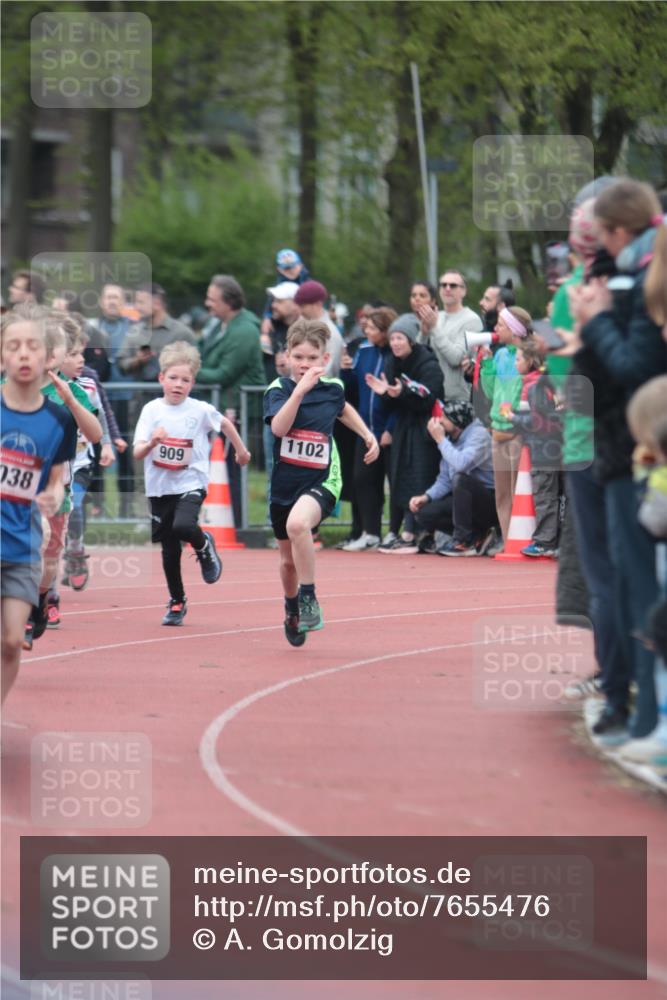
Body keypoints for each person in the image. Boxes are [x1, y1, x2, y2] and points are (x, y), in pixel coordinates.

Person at [573, 179, 666, 744]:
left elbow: (631, 368)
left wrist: (595, 322)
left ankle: (644, 714)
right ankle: (636, 710)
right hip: (621, 447)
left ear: (617, 232)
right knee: (630, 582)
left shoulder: (633, 284)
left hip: (638, 450)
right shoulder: (627, 279)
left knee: (638, 584)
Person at [263, 318, 379, 643]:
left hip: (322, 480)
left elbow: (344, 410)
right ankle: (292, 605)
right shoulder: (278, 390)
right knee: (287, 562)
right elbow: (279, 429)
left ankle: (309, 597)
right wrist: (299, 391)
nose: (304, 364)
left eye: (311, 358)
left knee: (299, 525)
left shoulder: (333, 389)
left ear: (324, 360)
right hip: (285, 486)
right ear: (286, 356)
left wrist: (367, 434)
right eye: (298, 357)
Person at [133, 341, 251, 627]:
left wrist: (241, 449)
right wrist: (153, 442)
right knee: (169, 549)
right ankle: (177, 600)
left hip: (191, 482)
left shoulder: (199, 409)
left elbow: (225, 424)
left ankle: (203, 544)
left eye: (185, 380)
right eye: (173, 378)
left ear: (192, 383)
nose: (178, 385)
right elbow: (137, 452)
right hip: (160, 487)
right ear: (161, 378)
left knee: (184, 526)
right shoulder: (151, 411)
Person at [1, 309, 77, 702]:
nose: (24, 354)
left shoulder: (58, 419)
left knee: (13, 640)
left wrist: (53, 496)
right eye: (14, 346)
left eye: (33, 346)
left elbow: (56, 482)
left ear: (48, 356)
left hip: (20, 545)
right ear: (2, 358)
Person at [366, 313, 444, 552]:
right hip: (402, 427)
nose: (395, 343)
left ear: (411, 340)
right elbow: (390, 404)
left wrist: (401, 393)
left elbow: (429, 398)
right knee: (400, 477)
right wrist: (385, 394)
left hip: (425, 428)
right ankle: (407, 532)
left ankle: (419, 532)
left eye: (400, 338)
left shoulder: (428, 363)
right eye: (393, 339)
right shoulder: (392, 362)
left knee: (421, 476)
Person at [197, 275, 265, 526]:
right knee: (220, 469)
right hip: (223, 408)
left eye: (212, 300)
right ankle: (225, 520)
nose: (208, 304)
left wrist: (188, 372)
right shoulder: (218, 325)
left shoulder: (245, 330)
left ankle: (236, 523)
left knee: (232, 469)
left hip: (239, 410)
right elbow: (203, 353)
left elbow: (225, 373)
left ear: (229, 302)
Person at [339, 306, 397, 550]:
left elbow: (397, 395)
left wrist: (390, 429)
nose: (367, 331)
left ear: (385, 331)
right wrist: (345, 370)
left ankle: (394, 531)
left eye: (372, 328)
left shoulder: (395, 355)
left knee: (394, 483)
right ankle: (369, 532)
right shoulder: (363, 350)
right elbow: (353, 388)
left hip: (388, 431)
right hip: (366, 430)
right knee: (363, 480)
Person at [409, 400, 496, 556]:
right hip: (464, 500)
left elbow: (461, 464)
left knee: (461, 479)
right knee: (424, 513)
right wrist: (426, 496)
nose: (440, 421)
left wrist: (440, 440)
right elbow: (444, 480)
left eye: (445, 417)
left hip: (489, 499)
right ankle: (477, 535)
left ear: (458, 421)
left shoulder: (479, 435)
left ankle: (463, 542)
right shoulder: (450, 440)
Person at [479, 306, 535, 545]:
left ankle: (523, 539)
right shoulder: (500, 354)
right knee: (502, 493)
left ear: (514, 330)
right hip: (498, 428)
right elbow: (491, 392)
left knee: (517, 489)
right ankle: (508, 539)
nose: (495, 329)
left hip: (517, 430)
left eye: (501, 324)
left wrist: (511, 413)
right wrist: (487, 365)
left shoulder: (528, 355)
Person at [503, 339, 562, 558]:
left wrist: (514, 418)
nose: (515, 363)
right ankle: (554, 539)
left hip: (545, 446)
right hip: (550, 445)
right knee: (554, 493)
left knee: (545, 493)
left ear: (530, 361)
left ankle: (546, 541)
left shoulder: (537, 385)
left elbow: (541, 420)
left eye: (518, 359)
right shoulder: (543, 382)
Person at [88, 283, 135, 515]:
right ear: (101, 301)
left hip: (126, 396)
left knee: (125, 451)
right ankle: (98, 506)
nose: (112, 302)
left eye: (117, 297)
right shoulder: (92, 328)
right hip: (99, 397)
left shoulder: (133, 328)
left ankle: (126, 508)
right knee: (98, 449)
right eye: (108, 297)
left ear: (123, 301)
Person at [417, 269, 483, 402]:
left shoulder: (471, 320)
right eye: (443, 285)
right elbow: (419, 356)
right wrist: (423, 334)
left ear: (463, 291)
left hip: (456, 400)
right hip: (431, 394)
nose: (447, 288)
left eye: (453, 285)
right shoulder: (436, 316)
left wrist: (434, 327)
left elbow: (455, 358)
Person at [116, 283, 195, 383]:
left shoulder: (182, 334)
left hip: (173, 397)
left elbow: (194, 370)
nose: (136, 307)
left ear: (157, 303)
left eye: (141, 302)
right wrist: (137, 361)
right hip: (141, 396)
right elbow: (120, 365)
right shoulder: (134, 331)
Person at [294, 280, 345, 376]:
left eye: (303, 306)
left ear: (318, 304)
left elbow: (327, 374)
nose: (299, 311)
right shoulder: (300, 325)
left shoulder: (330, 334)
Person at [260, 248, 310, 342]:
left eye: (293, 267)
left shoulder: (308, 284)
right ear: (279, 269)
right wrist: (267, 317)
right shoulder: (280, 283)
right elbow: (271, 301)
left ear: (301, 266)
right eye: (286, 268)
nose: (290, 271)